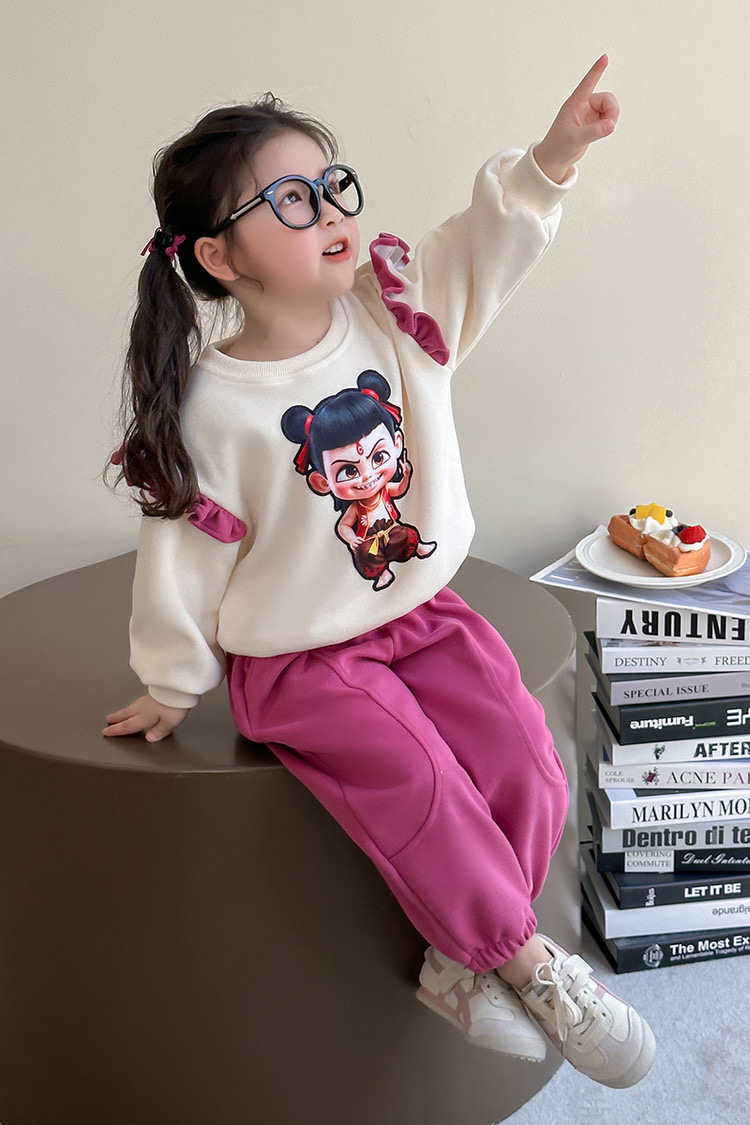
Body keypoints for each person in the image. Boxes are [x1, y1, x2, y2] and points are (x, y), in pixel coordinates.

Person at [104, 56, 655, 1087]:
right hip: (299, 660)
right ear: (219, 256)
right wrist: (173, 680)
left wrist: (555, 156)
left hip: (421, 615)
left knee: (529, 763)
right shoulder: (208, 406)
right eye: (292, 199)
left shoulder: (395, 309)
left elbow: (487, 247)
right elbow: (183, 548)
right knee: (419, 780)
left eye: (332, 185)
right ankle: (531, 964)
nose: (330, 210)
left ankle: (460, 959)